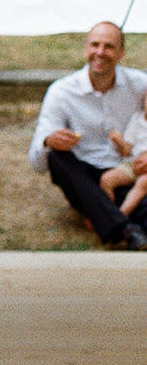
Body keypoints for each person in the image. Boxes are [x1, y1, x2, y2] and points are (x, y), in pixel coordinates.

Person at [28, 21, 147, 248]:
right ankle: (124, 230)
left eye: (109, 46)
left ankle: (111, 217)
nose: (100, 52)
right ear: (85, 49)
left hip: (125, 171)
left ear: (121, 53)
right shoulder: (62, 91)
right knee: (56, 157)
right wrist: (48, 140)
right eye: (94, 45)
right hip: (83, 177)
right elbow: (37, 162)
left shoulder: (140, 84)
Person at [101, 97, 147, 217]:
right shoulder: (137, 119)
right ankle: (105, 213)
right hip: (132, 164)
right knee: (107, 179)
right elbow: (127, 151)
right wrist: (119, 141)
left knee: (143, 184)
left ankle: (121, 215)